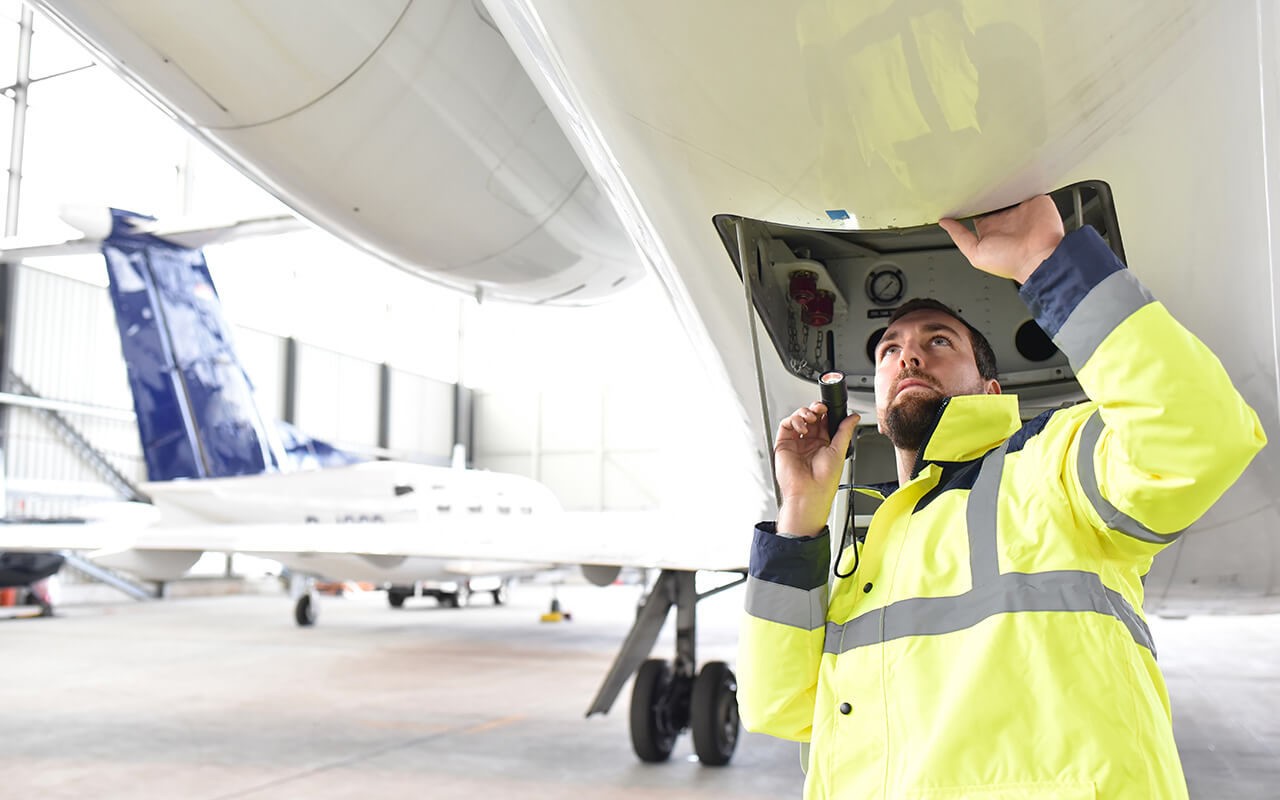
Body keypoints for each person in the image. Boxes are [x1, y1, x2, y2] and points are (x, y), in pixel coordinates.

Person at [736, 195, 1266, 799]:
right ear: (876, 407)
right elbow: (780, 707)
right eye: (889, 350)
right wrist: (800, 518)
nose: (908, 353)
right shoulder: (878, 550)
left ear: (989, 388)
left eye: (939, 342)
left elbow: (1200, 436)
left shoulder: (1048, 466)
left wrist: (1047, 260)